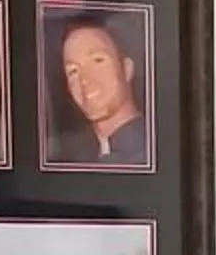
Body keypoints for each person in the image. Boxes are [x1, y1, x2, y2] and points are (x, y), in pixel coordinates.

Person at [48, 11, 151, 168]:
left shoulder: (158, 151)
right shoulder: (64, 157)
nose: (85, 80)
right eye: (73, 71)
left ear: (126, 69)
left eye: (98, 60)